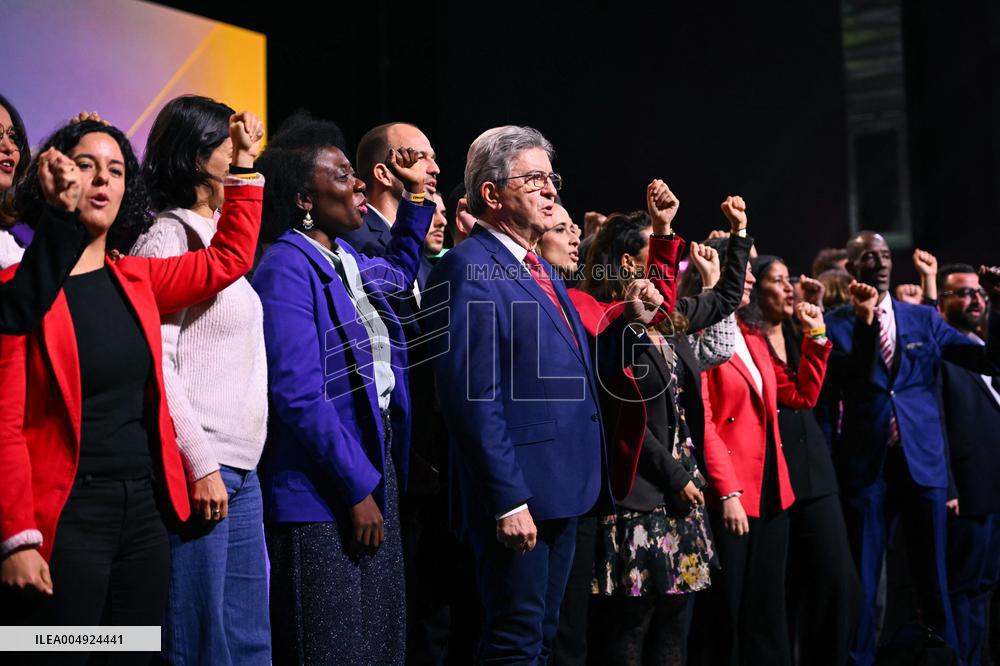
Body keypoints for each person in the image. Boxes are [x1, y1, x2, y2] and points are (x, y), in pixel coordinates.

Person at [0, 114, 264, 665]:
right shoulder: (18, 290)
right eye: (87, 166)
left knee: (130, 653)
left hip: (142, 518)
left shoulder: (138, 279)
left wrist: (241, 167)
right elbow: (5, 425)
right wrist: (17, 538)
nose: (101, 180)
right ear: (56, 177)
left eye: (116, 169)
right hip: (69, 518)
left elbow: (229, 259)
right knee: (50, 651)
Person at [421, 125, 661, 664]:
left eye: (552, 178)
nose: (552, 190)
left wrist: (633, 325)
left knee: (548, 638)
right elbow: (471, 397)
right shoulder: (468, 270)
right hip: (520, 495)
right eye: (534, 179)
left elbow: (566, 365)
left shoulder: (540, 270)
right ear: (491, 194)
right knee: (515, 642)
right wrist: (507, 497)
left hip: (565, 489)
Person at [251, 114, 434, 665]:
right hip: (324, 491)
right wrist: (358, 489)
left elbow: (401, 275)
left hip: (372, 468)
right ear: (306, 197)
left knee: (379, 640)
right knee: (333, 646)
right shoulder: (286, 265)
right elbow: (298, 395)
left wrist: (417, 194)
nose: (359, 185)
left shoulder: (347, 257)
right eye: (344, 176)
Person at [129, 95, 270, 665]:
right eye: (226, 145)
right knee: (198, 646)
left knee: (248, 644)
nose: (237, 153)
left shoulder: (215, 234)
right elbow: (157, 362)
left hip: (244, 470)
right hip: (202, 468)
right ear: (194, 158)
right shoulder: (168, 236)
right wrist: (199, 459)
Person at [823, 231, 1000, 666]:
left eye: (885, 256)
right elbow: (850, 381)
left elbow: (984, 360)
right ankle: (859, 659)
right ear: (851, 267)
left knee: (935, 576)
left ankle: (948, 657)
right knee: (866, 580)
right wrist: (865, 324)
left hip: (922, 463)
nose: (881, 263)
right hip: (868, 466)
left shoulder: (922, 319)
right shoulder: (838, 323)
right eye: (869, 257)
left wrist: (997, 305)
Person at [699, 214, 829, 666]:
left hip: (775, 491)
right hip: (735, 495)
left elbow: (801, 394)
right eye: (743, 265)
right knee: (728, 615)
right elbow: (707, 422)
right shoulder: (701, 332)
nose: (750, 274)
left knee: (767, 611)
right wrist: (727, 490)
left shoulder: (752, 335)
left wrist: (815, 333)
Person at [750, 254, 861, 666]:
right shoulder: (749, 338)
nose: (786, 288)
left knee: (839, 583)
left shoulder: (799, 332)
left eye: (788, 279)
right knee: (782, 589)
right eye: (776, 281)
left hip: (814, 469)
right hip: (771, 475)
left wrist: (815, 333)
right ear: (755, 289)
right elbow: (791, 396)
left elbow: (809, 396)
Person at [935, 262, 1000, 666]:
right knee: (965, 589)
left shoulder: (985, 351)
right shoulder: (943, 351)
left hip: (993, 491)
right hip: (967, 491)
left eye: (979, 293)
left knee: (986, 587)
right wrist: (950, 487)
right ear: (940, 304)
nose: (973, 299)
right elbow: (937, 423)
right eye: (962, 292)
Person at [0, 94, 88, 332]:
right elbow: (16, 309)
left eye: (12, 136)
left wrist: (75, 147)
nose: (9, 147)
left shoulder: (12, 236)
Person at [342, 122, 440, 257]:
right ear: (383, 175)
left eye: (433, 158)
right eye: (420, 157)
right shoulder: (356, 240)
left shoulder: (419, 249)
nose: (435, 169)